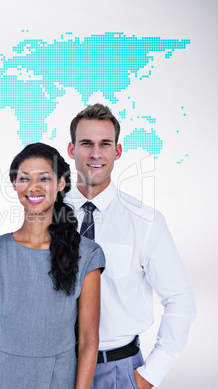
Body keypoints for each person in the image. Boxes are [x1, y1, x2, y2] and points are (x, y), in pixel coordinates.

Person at [65, 103, 197, 388]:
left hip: (118, 371)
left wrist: (147, 376)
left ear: (118, 151)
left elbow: (180, 301)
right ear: (72, 150)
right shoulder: (46, 218)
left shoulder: (146, 222)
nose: (96, 153)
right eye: (86, 143)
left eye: (105, 144)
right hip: (56, 366)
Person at [0, 143, 105, 389]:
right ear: (14, 185)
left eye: (44, 178)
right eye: (24, 178)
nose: (33, 186)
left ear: (61, 184)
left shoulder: (87, 254)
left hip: (56, 380)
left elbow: (88, 339)